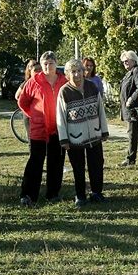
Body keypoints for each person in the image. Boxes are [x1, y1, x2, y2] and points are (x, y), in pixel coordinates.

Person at [17, 51, 69, 204]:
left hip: (58, 128)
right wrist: (34, 116)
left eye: (51, 63)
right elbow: (23, 102)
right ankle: (28, 194)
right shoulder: (34, 81)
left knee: (56, 162)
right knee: (35, 161)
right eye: (45, 64)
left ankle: (53, 193)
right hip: (38, 129)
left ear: (56, 64)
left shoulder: (63, 81)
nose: (48, 66)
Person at [56, 58, 108, 207]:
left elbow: (100, 110)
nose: (77, 75)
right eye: (73, 72)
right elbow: (60, 116)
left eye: (79, 71)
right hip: (75, 137)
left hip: (94, 134)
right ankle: (80, 196)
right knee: (78, 167)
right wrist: (64, 139)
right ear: (67, 74)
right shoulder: (64, 91)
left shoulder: (92, 86)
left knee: (97, 164)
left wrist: (104, 130)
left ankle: (97, 193)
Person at [118, 50, 138, 166]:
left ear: (134, 60)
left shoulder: (137, 70)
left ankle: (130, 159)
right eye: (123, 61)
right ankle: (130, 159)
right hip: (130, 110)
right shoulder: (129, 73)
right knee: (132, 134)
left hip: (136, 110)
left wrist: (131, 99)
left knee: (137, 136)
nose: (124, 62)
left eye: (127, 60)